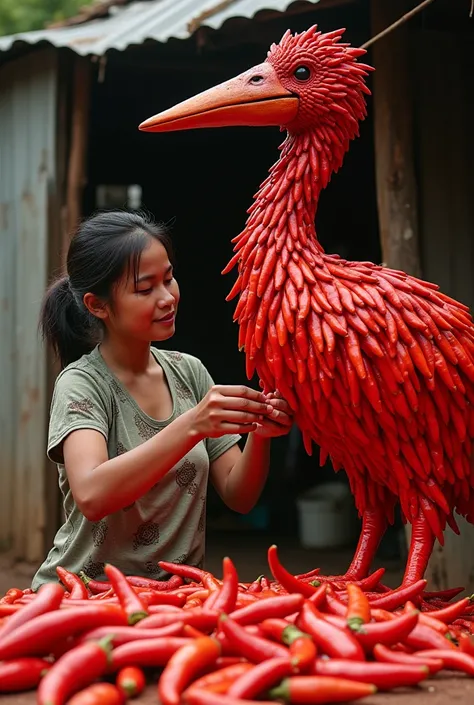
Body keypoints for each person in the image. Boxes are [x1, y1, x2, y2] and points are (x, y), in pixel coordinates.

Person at [32, 210, 293, 589]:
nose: (167, 297)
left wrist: (263, 433)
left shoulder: (190, 373)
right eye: (145, 288)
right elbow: (91, 494)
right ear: (97, 305)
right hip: (86, 596)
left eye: (169, 279)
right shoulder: (83, 384)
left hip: (176, 598)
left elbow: (240, 496)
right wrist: (192, 425)